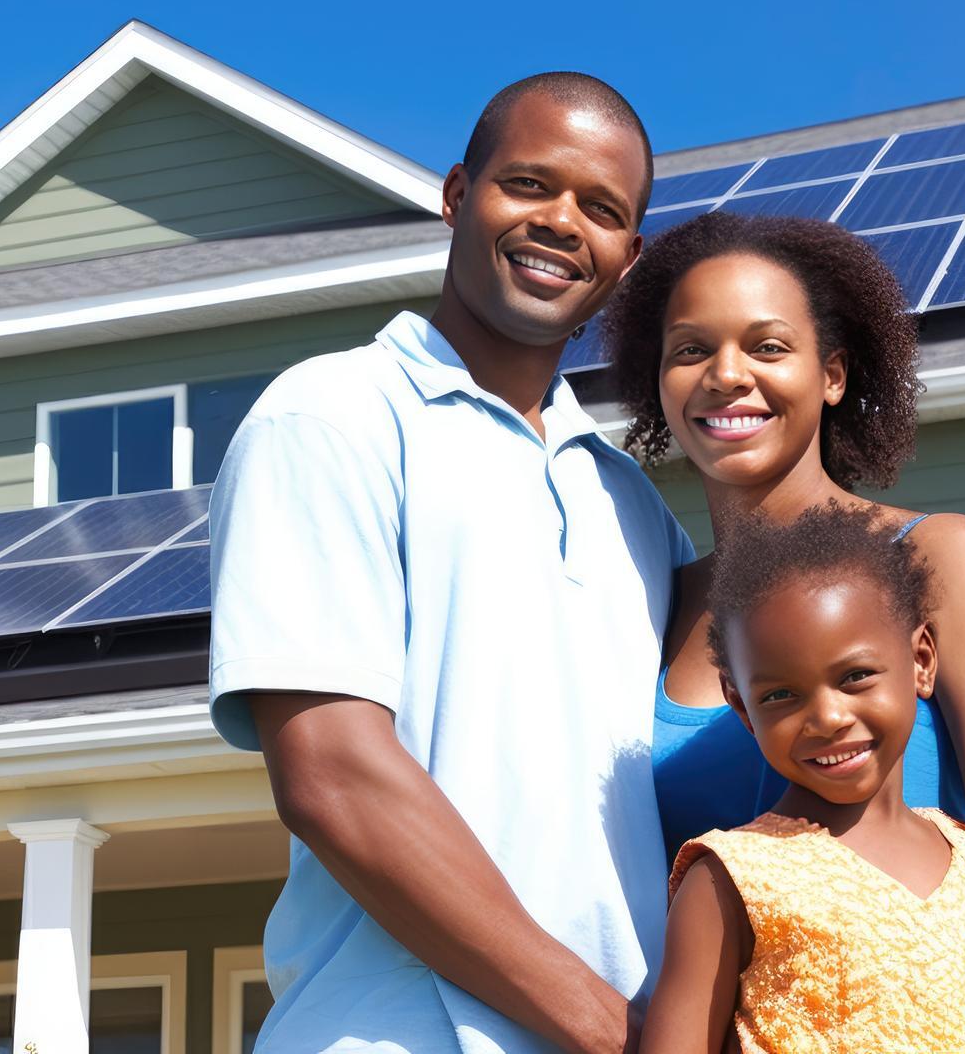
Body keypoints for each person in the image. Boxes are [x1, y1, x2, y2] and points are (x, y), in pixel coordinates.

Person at [208, 73, 694, 1052]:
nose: (562, 221)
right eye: (529, 185)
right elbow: (332, 772)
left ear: (628, 257)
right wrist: (613, 1028)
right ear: (456, 193)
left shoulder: (634, 506)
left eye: (600, 208)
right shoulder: (330, 415)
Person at [602, 211, 965, 1052]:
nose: (727, 375)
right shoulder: (650, 604)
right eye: (691, 350)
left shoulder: (943, 562)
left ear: (831, 374)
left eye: (767, 346)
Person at [642, 502, 965, 1054]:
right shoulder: (730, 880)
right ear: (742, 707)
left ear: (921, 660)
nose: (828, 717)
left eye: (856, 676)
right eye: (780, 695)